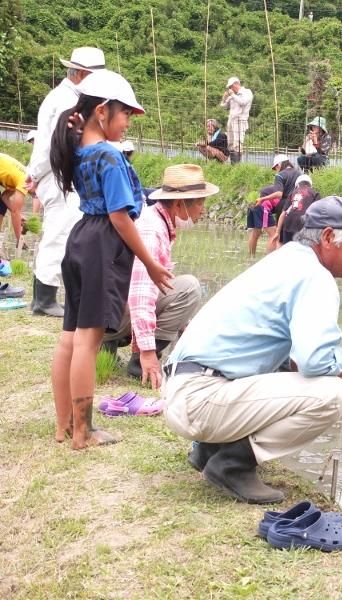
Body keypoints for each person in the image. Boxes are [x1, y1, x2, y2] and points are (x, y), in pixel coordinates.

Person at [162, 196, 342, 504]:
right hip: (200, 400)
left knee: (323, 379)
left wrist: (337, 369)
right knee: (330, 395)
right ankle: (232, 465)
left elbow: (287, 356)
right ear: (327, 237)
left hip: (185, 390)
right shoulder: (315, 276)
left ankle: (210, 449)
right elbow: (315, 359)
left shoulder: (287, 259)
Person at [49, 69, 173, 449]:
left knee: (70, 338)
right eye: (125, 115)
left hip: (81, 239)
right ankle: (84, 433)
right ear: (102, 112)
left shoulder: (79, 149)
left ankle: (64, 426)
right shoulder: (107, 155)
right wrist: (150, 263)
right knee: (88, 340)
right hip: (102, 244)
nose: (126, 124)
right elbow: (121, 216)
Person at [102, 164, 217, 386]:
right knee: (189, 287)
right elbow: (140, 295)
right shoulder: (152, 230)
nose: (203, 210)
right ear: (179, 203)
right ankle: (140, 362)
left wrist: (182, 322)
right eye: (200, 202)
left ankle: (107, 346)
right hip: (110, 314)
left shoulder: (156, 220)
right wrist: (146, 351)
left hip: (105, 311)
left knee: (171, 284)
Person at [27, 47, 106, 318]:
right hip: (58, 173)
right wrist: (35, 174)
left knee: (62, 231)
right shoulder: (64, 101)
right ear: (82, 74)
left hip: (56, 172)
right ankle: (44, 298)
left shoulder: (66, 97)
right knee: (59, 233)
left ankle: (47, 294)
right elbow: (56, 143)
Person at [274, 174, 321, 245]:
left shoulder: (292, 193)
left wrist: (277, 232)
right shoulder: (315, 193)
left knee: (288, 248)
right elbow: (317, 212)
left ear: (297, 185)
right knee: (304, 249)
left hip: (288, 223)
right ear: (310, 184)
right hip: (303, 223)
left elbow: (283, 214)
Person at [220, 76, 253, 164]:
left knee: (238, 143)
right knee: (230, 143)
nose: (230, 89)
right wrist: (224, 97)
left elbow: (243, 102)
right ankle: (233, 165)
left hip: (240, 120)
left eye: (230, 86)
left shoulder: (247, 92)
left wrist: (233, 95)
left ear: (236, 84)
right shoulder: (232, 95)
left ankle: (236, 166)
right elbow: (223, 106)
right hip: (231, 120)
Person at [0, 153, 28, 247]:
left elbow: (4, 197)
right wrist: (19, 239)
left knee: (1, 206)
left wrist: (18, 215)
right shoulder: (25, 182)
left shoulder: (20, 178)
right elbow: (15, 212)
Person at [246, 183, 281, 257]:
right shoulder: (288, 194)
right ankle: (270, 260)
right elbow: (281, 215)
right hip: (263, 205)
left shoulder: (279, 187)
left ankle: (251, 257)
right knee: (274, 235)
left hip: (253, 203)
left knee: (255, 233)